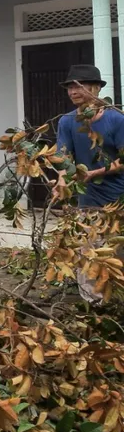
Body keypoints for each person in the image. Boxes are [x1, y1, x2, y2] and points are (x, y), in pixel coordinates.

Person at [54, 63, 124, 304]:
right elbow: (63, 157)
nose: (73, 91)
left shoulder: (116, 120)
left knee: (116, 254)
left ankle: (116, 302)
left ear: (95, 88)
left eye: (79, 86)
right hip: (88, 201)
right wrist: (62, 180)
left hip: (118, 200)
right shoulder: (66, 121)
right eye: (69, 87)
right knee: (87, 254)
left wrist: (95, 172)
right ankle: (95, 307)